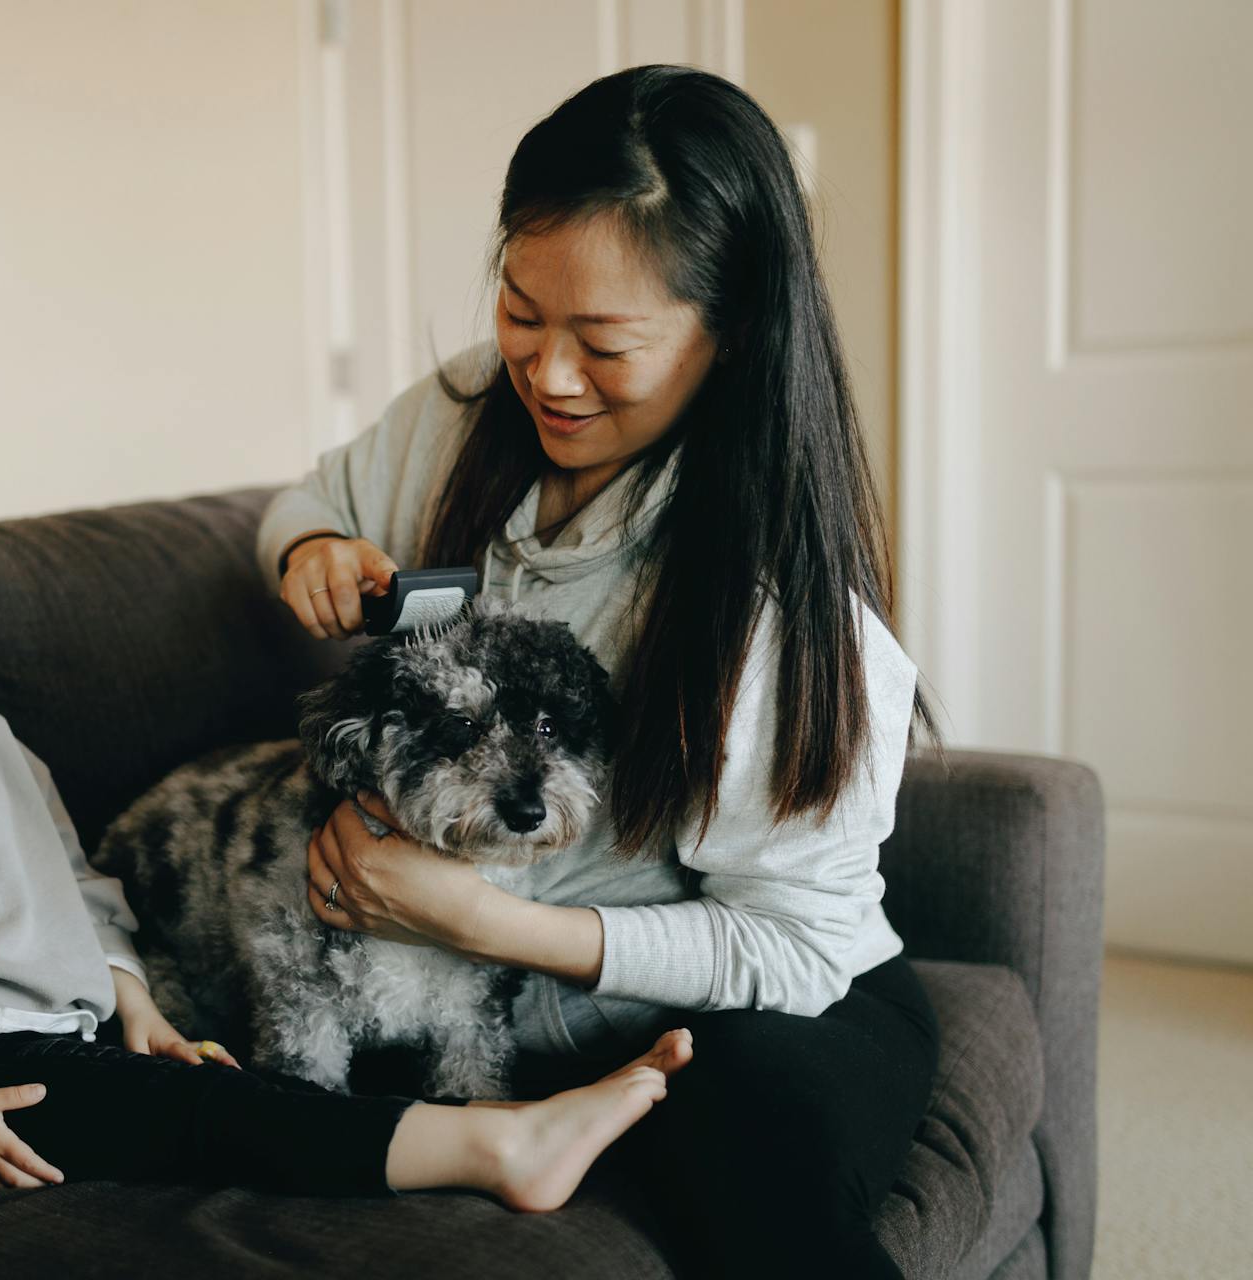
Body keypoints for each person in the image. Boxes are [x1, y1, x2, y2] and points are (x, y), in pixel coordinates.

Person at [261, 65, 940, 1277]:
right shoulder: (464, 413)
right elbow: (316, 496)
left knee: (756, 1156)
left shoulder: (774, 609)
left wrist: (490, 918)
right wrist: (311, 546)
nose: (548, 374)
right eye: (525, 311)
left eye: (606, 343)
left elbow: (793, 950)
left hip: (764, 1006)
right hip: (485, 1002)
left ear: (730, 335)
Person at [0, 456, 693, 1208]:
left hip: (80, 1034)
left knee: (205, 1084)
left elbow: (72, 875)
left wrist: (133, 995)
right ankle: (496, 1146)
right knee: (227, 1118)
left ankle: (482, 1128)